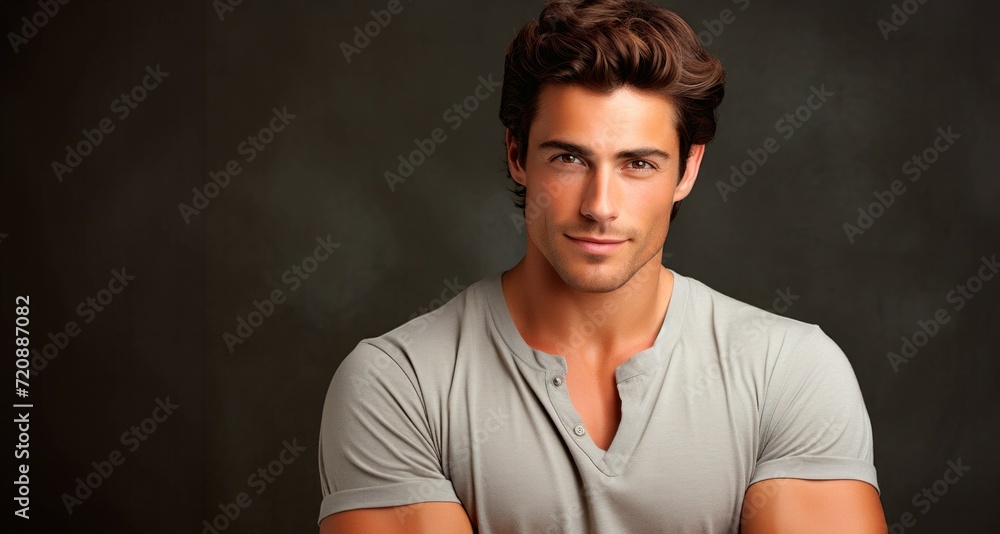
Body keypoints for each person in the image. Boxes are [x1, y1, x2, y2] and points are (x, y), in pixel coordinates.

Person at [317, 0, 886, 532]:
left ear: (686, 171)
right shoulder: (398, 385)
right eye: (569, 158)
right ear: (517, 154)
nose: (600, 206)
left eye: (638, 163)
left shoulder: (789, 371)